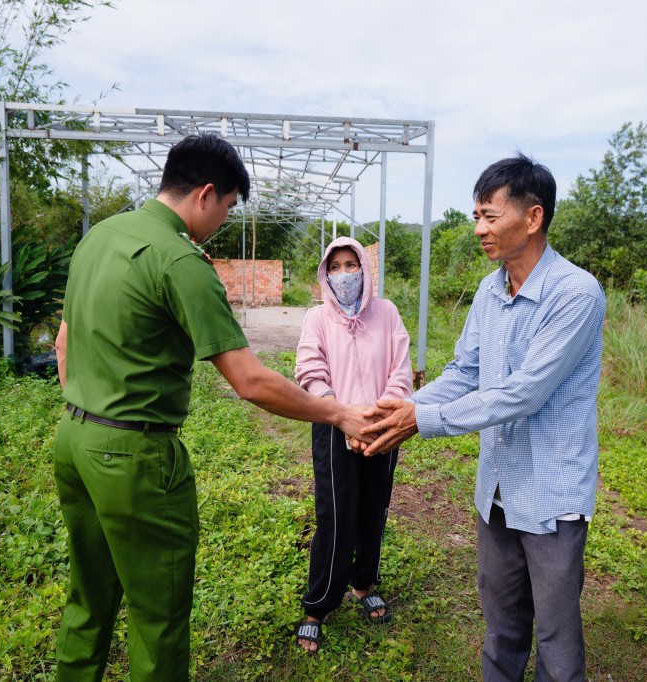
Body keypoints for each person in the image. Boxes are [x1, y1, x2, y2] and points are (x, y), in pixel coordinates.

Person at [52, 133, 374, 682]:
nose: (223, 219)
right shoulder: (180, 261)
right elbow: (249, 381)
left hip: (74, 442)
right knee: (159, 616)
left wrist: (94, 408)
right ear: (206, 194)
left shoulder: (99, 238)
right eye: (226, 207)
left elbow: (62, 344)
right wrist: (340, 414)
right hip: (135, 459)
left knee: (89, 598)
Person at [358, 153, 606, 682]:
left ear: (533, 217)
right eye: (477, 216)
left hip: (550, 494)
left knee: (557, 636)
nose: (478, 229)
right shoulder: (490, 291)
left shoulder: (574, 293)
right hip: (496, 488)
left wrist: (421, 423)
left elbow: (523, 393)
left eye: (490, 216)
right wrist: (408, 407)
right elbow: (465, 371)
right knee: (501, 622)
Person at [292, 237, 413, 653]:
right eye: (337, 266)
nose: (345, 274)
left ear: (364, 267)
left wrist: (380, 417)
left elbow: (401, 368)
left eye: (352, 264)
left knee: (373, 508)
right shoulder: (317, 318)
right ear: (326, 274)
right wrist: (339, 413)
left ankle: (362, 584)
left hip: (384, 425)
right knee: (335, 514)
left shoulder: (387, 313)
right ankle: (318, 605)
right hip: (332, 426)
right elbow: (310, 369)